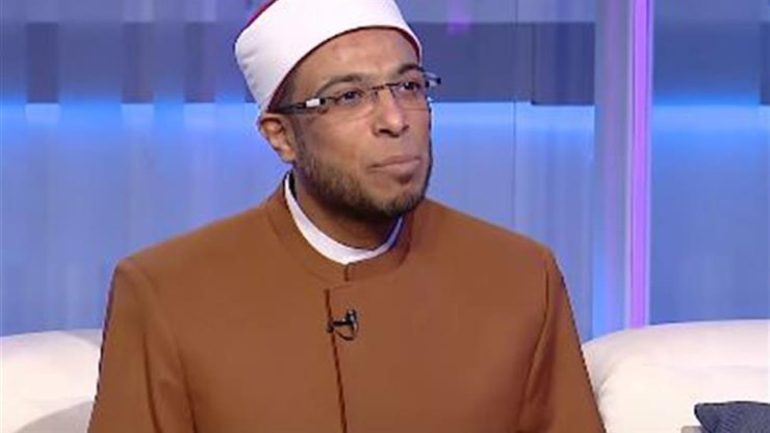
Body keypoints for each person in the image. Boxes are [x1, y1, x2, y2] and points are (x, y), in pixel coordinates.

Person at [88, 0, 605, 432]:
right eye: (349, 96)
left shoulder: (520, 277)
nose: (395, 120)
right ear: (281, 136)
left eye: (409, 86)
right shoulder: (166, 293)